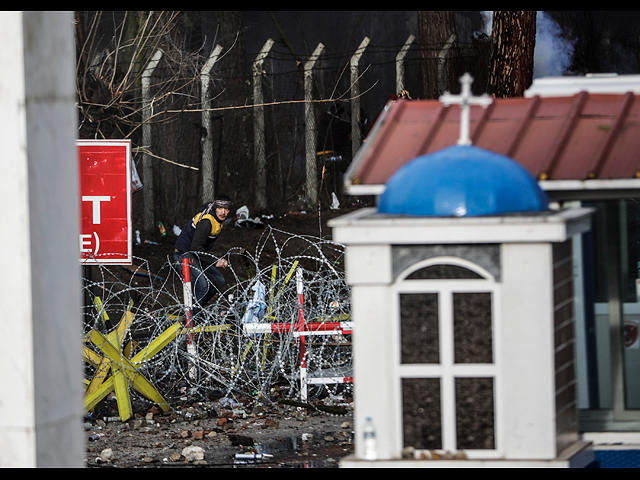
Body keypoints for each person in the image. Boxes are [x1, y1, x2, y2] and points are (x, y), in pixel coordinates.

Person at [174, 195, 233, 318]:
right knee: (202, 285)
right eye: (220, 208)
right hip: (184, 254)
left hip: (197, 254)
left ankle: (197, 308)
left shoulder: (218, 221)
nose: (223, 212)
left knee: (219, 280)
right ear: (215, 207)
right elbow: (195, 247)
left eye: (226, 209)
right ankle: (193, 317)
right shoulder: (207, 221)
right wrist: (215, 261)